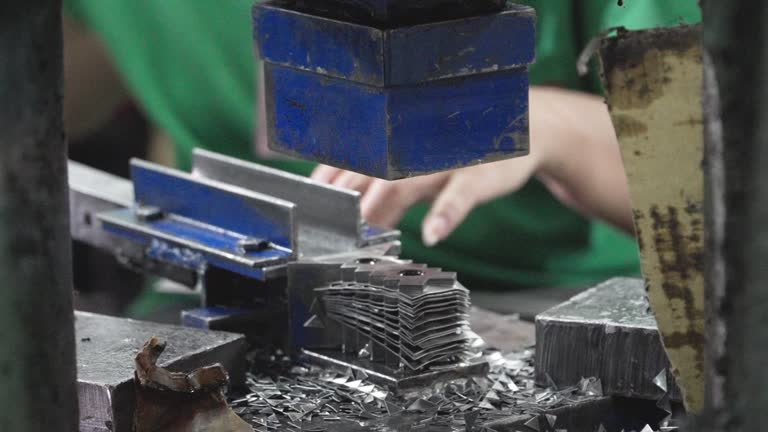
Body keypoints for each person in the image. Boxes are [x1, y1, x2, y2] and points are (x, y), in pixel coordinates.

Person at [63, 1, 702, 308]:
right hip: (232, 287)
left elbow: (720, 188)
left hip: (539, 301)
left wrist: (553, 126)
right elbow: (66, 77)